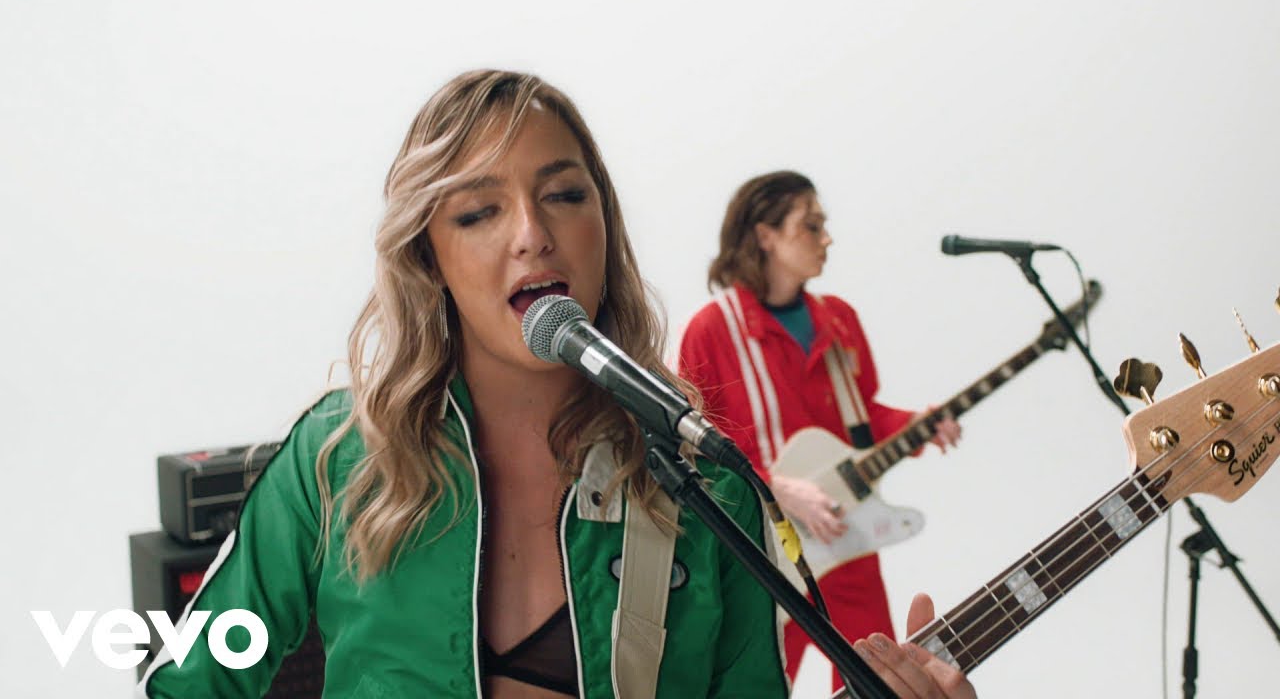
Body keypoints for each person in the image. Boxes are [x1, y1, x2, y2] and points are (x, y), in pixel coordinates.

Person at [139, 73, 973, 698]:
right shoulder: (338, 457)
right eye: (478, 212)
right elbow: (189, 685)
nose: (533, 235)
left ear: (604, 225)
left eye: (565, 195)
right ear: (429, 255)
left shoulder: (707, 485)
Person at [677, 170, 964, 691]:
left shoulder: (839, 319)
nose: (826, 238)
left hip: (847, 536)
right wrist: (777, 490)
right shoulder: (711, 330)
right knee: (750, 684)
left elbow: (860, 421)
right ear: (765, 235)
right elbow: (692, 446)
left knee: (874, 680)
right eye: (810, 226)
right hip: (761, 554)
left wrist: (915, 425)